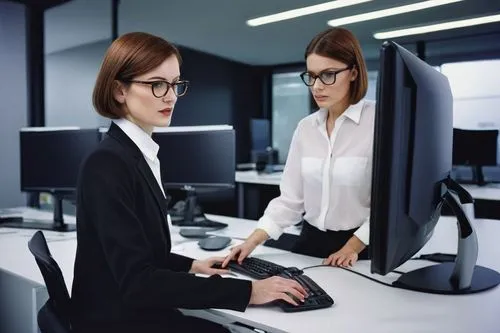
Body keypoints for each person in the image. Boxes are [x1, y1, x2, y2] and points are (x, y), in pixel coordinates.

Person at [71, 32, 307, 333]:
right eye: (157, 84)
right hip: (117, 321)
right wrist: (249, 292)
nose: (170, 96)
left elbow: (141, 252)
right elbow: (137, 282)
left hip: (130, 311)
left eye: (174, 84)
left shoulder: (135, 154)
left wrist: (191, 265)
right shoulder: (107, 163)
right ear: (119, 90)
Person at [223, 27, 375, 269]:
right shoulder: (306, 127)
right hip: (311, 241)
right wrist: (251, 242)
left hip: (361, 248)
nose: (316, 86)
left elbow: (388, 207)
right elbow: (290, 201)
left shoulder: (379, 123)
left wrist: (351, 248)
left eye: (328, 75)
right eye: (311, 76)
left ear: (354, 72)